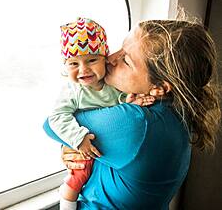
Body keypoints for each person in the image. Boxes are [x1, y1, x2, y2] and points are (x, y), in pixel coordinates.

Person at [43, 18, 221, 209]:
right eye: (120, 48)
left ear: (159, 87)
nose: (111, 58)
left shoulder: (137, 122)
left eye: (126, 60)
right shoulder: (174, 112)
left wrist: (70, 141)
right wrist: (71, 146)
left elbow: (50, 125)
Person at [48, 17, 154, 210]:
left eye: (92, 60)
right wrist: (77, 138)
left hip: (104, 147)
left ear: (104, 58)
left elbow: (119, 104)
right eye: (73, 63)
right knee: (75, 181)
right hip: (84, 145)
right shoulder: (73, 91)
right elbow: (56, 117)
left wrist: (131, 101)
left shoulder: (113, 84)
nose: (83, 69)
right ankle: (66, 203)